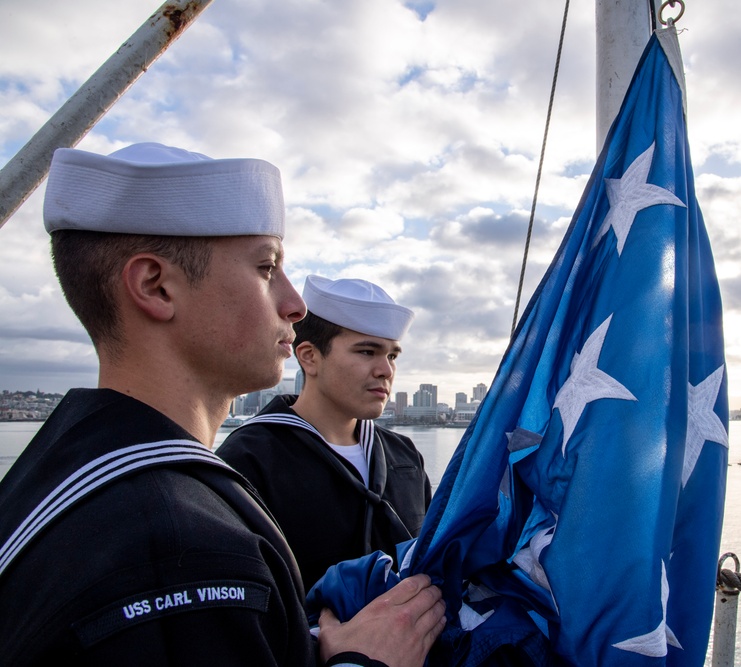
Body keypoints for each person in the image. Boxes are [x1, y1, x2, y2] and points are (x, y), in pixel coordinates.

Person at [0, 142, 444, 666]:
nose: (294, 305)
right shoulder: (181, 545)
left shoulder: (62, 477)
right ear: (156, 286)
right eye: (265, 268)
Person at [217, 276, 432, 590]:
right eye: (367, 352)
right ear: (309, 356)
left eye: (392, 356)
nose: (385, 370)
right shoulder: (250, 460)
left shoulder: (404, 455)